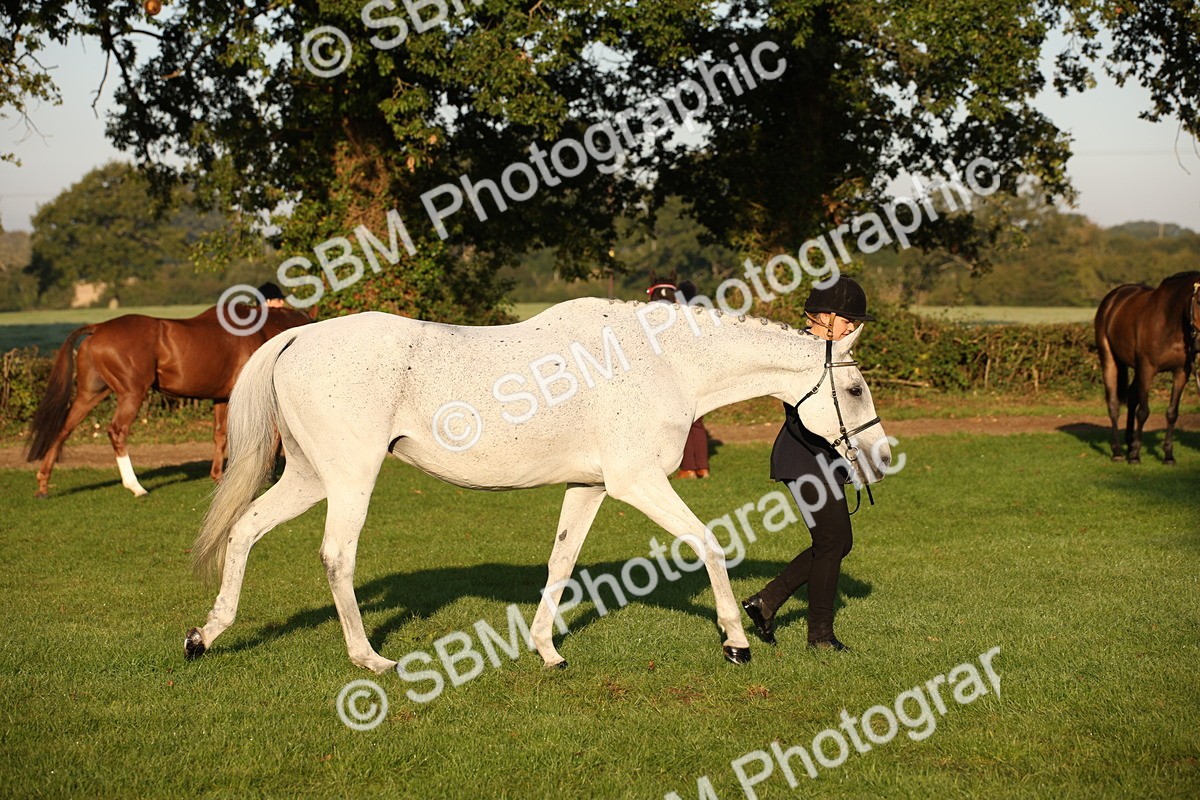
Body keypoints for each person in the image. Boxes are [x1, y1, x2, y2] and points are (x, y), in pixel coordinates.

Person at [741, 276, 874, 651]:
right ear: (828, 317)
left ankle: (765, 603)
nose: (854, 328)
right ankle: (820, 637)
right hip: (803, 458)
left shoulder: (828, 351)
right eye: (849, 320)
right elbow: (803, 419)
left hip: (819, 460)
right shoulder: (805, 351)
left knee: (836, 543)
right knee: (832, 543)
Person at [674, 280, 710, 478]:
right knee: (698, 422)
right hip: (702, 374)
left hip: (684, 375)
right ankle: (702, 468)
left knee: (685, 422)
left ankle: (688, 468)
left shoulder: (679, 319)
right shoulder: (702, 318)